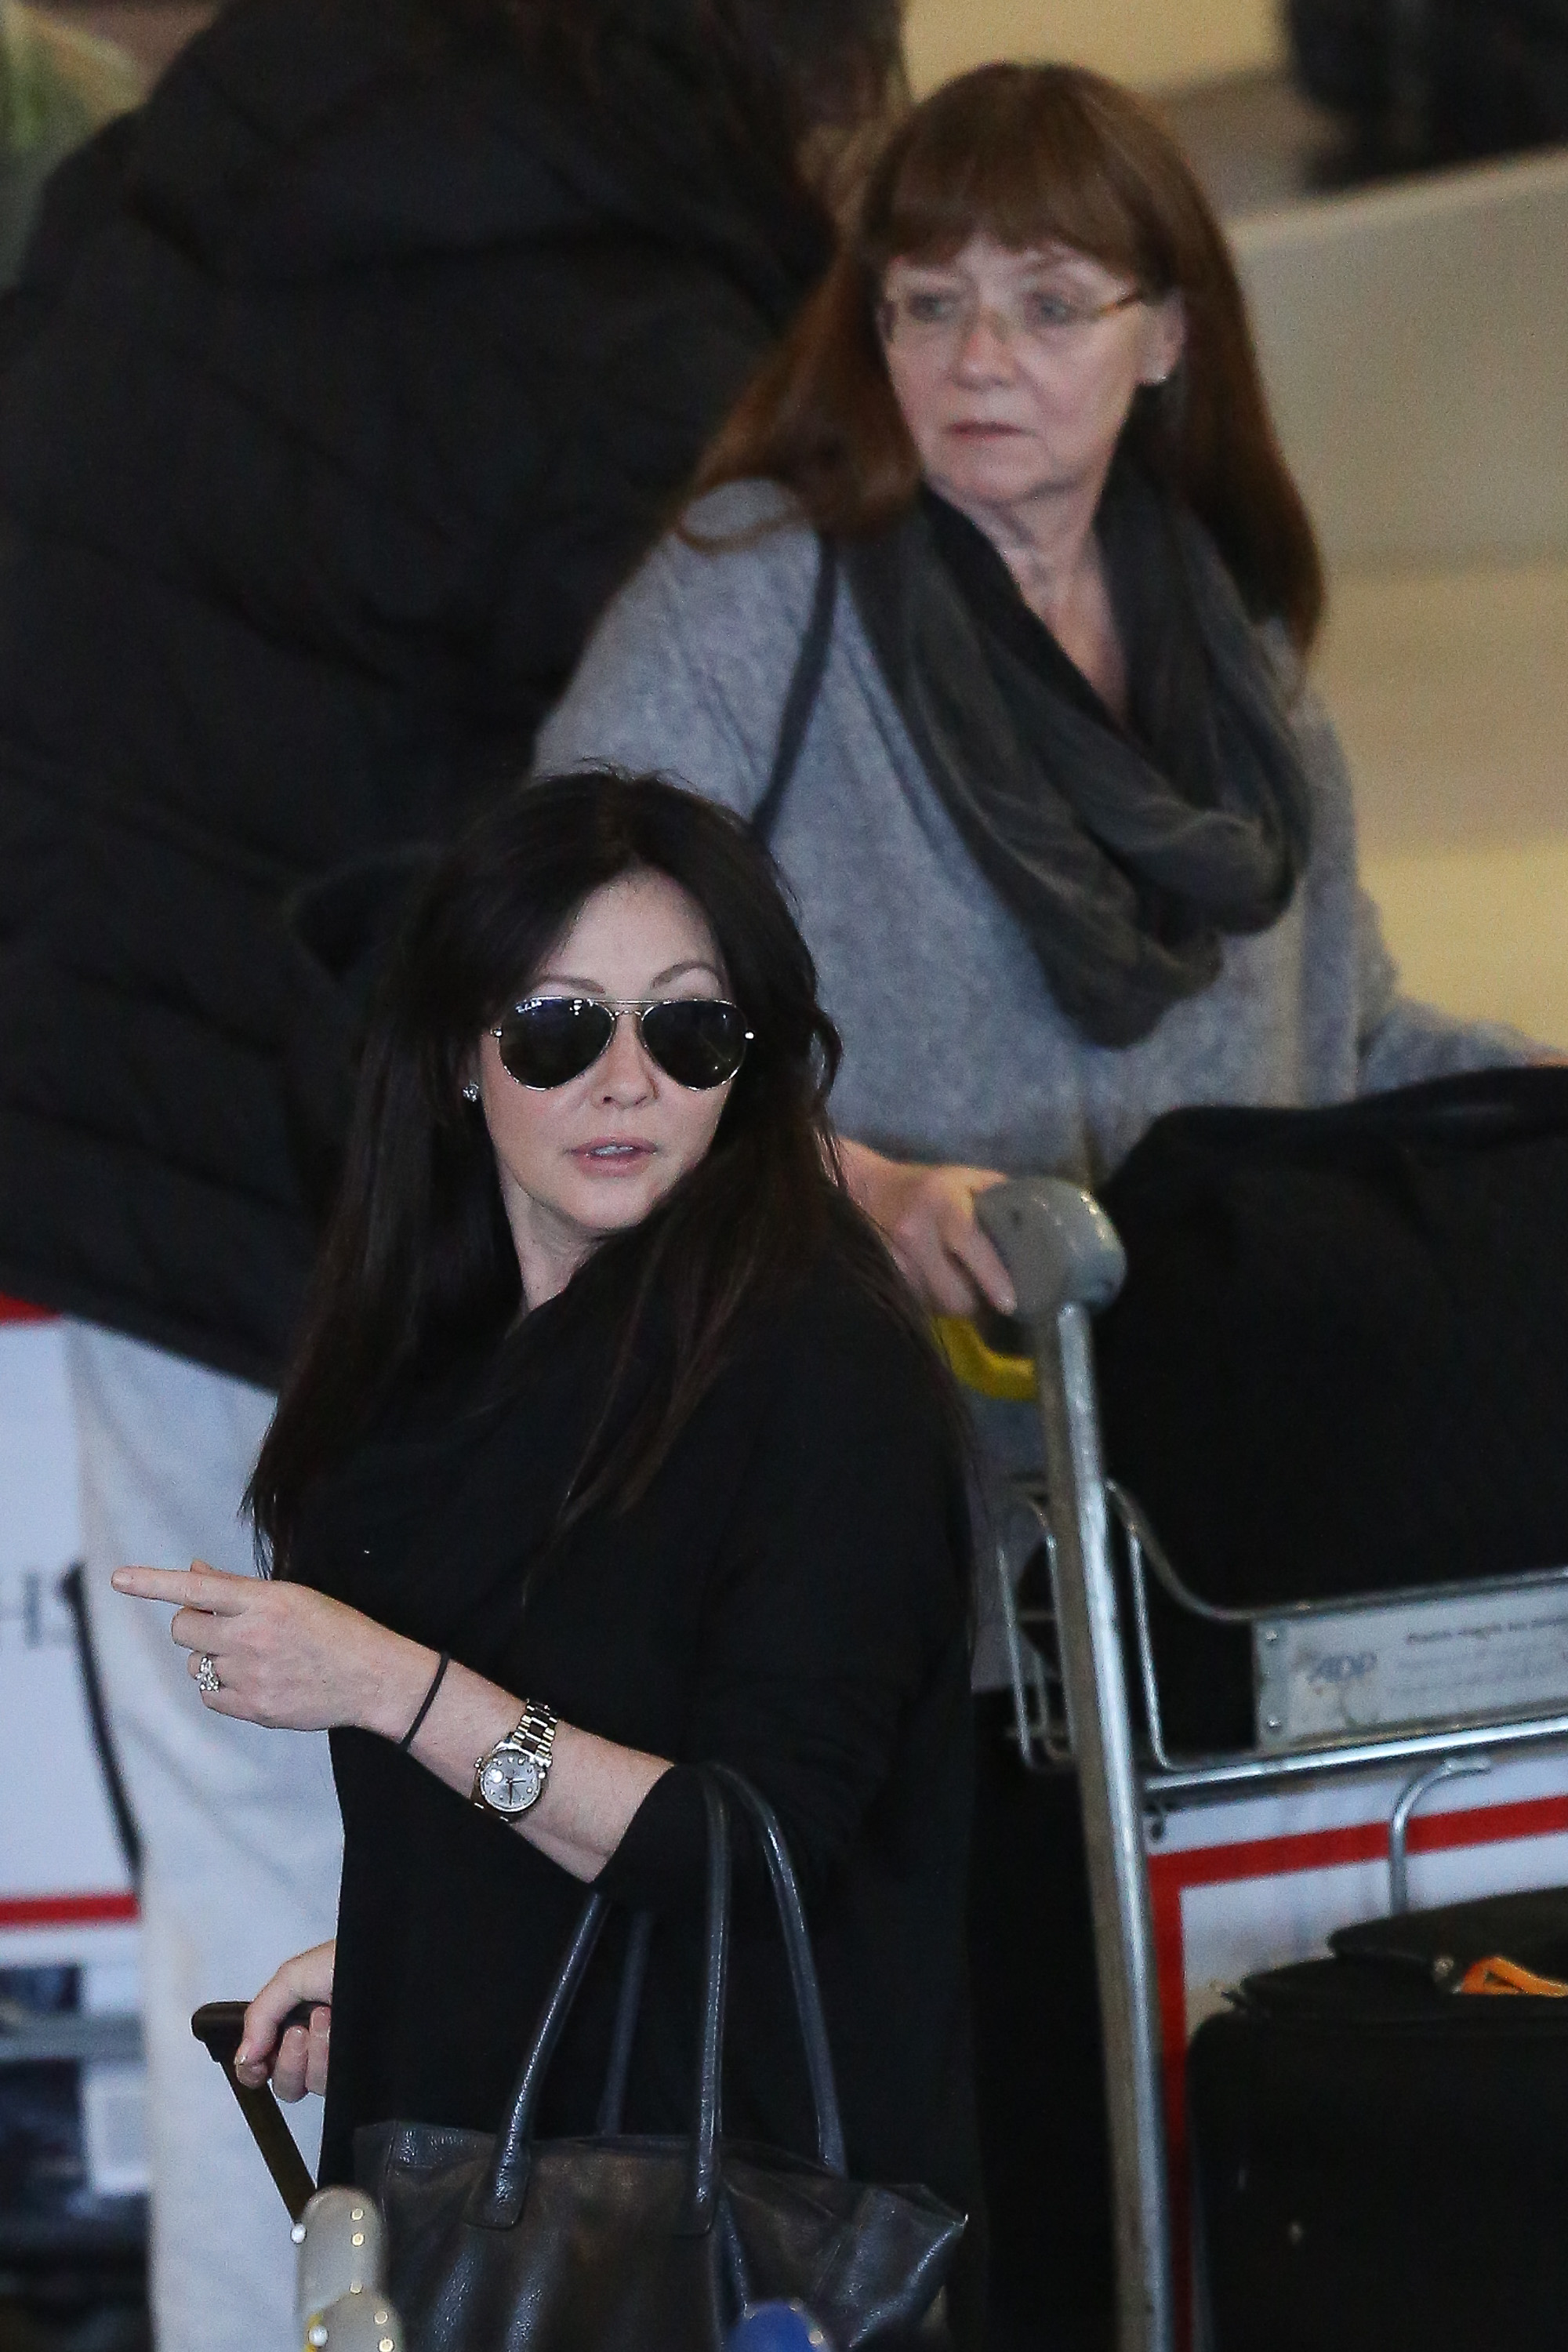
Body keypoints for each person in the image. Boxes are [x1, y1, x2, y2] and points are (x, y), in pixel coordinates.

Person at [534, 61, 1543, 2347]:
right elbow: (563, 990)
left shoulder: (1233, 649)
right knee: (975, 2200)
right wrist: (848, 1177)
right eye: (926, 303)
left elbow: (1350, 1043)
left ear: (1170, 332)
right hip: (884, 1587)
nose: (982, 359)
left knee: (1208, 2171)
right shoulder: (759, 601)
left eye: (1050, 300)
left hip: (1200, 1575)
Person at [0, 5, 903, 2346]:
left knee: (253, 1939)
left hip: (113, 1173)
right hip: (447, 1241)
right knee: (510, 1982)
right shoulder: (641, 333)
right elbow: (697, 854)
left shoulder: (163, 189)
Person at [111, 770, 981, 2344]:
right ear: (458, 1052)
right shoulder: (430, 1357)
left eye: (690, 1032)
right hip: (484, 2163)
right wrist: (399, 1957)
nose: (627, 1083)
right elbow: (567, 1769)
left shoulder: (819, 1373)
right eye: (561, 1027)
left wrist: (386, 1683)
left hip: (718, 2228)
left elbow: (743, 1852)